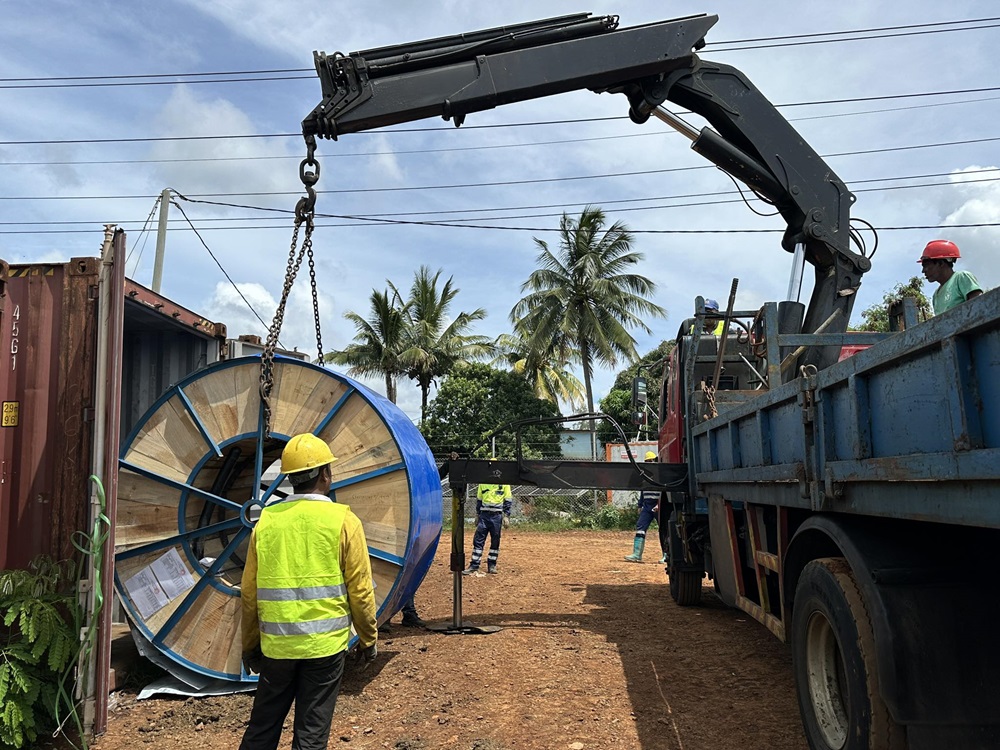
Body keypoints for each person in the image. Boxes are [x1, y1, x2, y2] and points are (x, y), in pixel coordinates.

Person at [239, 433, 377, 750]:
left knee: (262, 730)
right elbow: (360, 591)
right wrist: (368, 640)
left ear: (289, 479)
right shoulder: (344, 521)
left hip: (276, 650)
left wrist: (250, 647)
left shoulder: (267, 522)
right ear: (326, 475)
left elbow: (249, 595)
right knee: (311, 735)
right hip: (324, 651)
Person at [918, 239, 983, 315]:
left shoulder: (961, 277)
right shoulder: (936, 295)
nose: (923, 271)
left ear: (940, 263)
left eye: (926, 266)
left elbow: (979, 306)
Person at [624, 451, 667, 564]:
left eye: (651, 461)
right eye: (647, 461)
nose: (649, 463)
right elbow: (642, 492)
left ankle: (667, 555)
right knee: (640, 527)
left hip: (659, 505)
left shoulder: (660, 477)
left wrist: (659, 504)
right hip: (647, 506)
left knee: (664, 529)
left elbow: (664, 493)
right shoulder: (644, 477)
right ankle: (637, 554)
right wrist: (640, 505)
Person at [462, 480, 512, 575]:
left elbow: (508, 500)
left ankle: (492, 565)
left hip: (496, 516)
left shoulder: (504, 483)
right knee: (478, 540)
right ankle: (474, 565)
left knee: (495, 540)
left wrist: (506, 515)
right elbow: (479, 500)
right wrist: (477, 515)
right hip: (484, 516)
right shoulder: (482, 483)